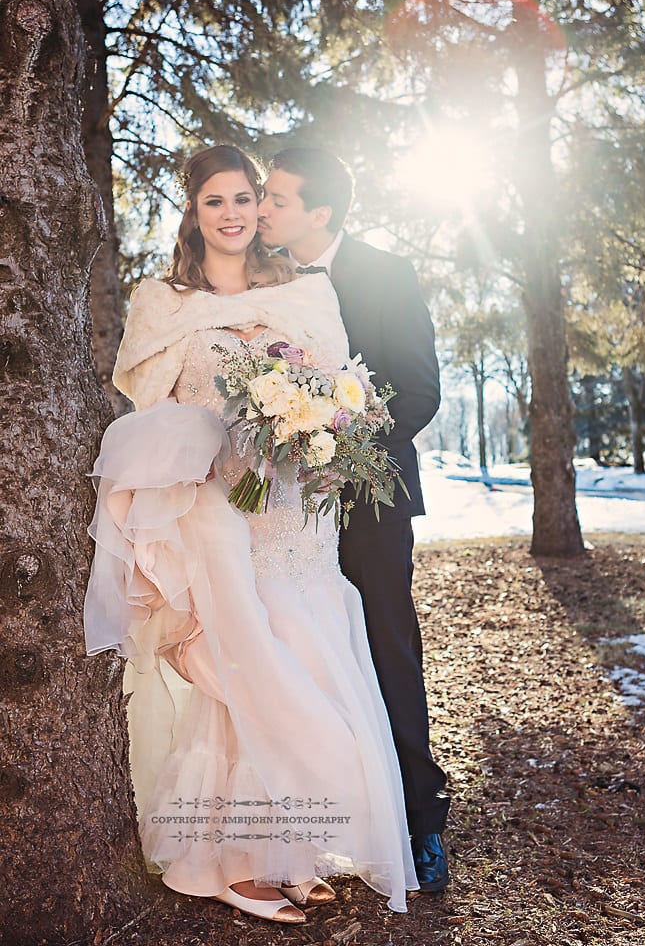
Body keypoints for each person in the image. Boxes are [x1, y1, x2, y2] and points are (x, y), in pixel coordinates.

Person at [83, 144, 418, 924]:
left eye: (244, 199)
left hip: (295, 512)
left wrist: (313, 427)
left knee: (302, 651)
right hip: (216, 506)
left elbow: (343, 394)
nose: (233, 215)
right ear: (192, 212)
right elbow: (150, 415)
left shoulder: (305, 289)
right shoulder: (161, 302)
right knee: (239, 665)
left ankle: (291, 850)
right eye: (215, 202)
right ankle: (232, 858)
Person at [258, 147, 450, 891]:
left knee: (387, 648)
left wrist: (343, 444)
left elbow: (420, 389)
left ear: (320, 214)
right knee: (298, 651)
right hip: (278, 506)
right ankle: (318, 822)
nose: (262, 208)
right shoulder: (263, 277)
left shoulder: (385, 273)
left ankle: (421, 822)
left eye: (277, 198)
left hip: (370, 500)